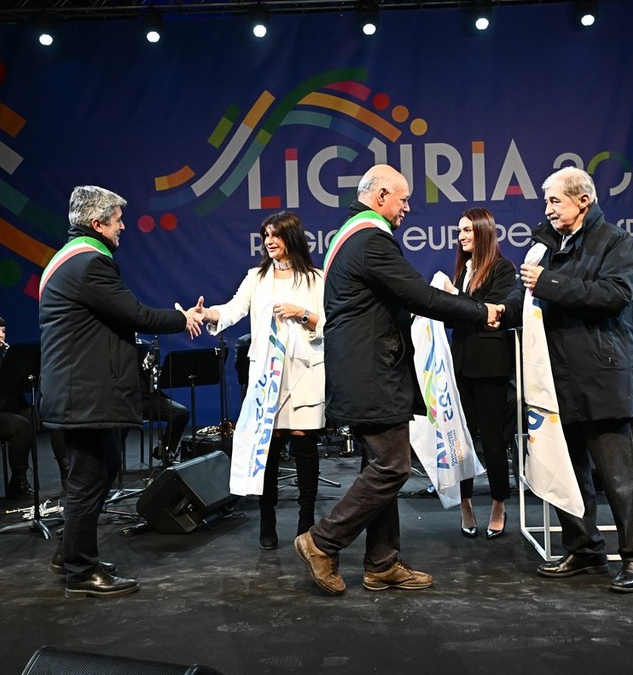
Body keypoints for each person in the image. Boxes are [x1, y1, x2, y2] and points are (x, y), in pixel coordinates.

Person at [293, 164, 503, 596]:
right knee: (393, 465)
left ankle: (382, 563)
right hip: (371, 374)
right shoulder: (371, 240)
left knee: (378, 465)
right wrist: (481, 311)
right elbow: (419, 295)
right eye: (403, 199)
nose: (407, 208)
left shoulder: (349, 235)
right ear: (381, 196)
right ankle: (322, 541)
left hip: (363, 371)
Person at [39, 185, 202, 599]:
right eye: (117, 220)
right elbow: (136, 314)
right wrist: (182, 319)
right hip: (83, 394)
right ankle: (80, 572)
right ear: (97, 224)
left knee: (106, 465)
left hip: (79, 391)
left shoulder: (70, 258)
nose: (123, 227)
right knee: (88, 478)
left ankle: (69, 552)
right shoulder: (90, 263)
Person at [502, 166, 633, 593]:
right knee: (566, 474)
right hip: (554, 379)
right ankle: (584, 551)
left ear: (583, 201)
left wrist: (549, 282)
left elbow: (614, 296)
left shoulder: (616, 241)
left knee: (619, 478)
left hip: (601, 376)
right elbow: (523, 297)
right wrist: (494, 312)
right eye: (546, 201)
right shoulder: (543, 246)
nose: (547, 209)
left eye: (555, 200)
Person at [195, 210, 325, 550]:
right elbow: (233, 309)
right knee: (270, 446)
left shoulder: (315, 278)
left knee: (304, 445)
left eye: (275, 235)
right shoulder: (257, 277)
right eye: (266, 235)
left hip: (304, 373)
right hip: (267, 375)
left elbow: (329, 322)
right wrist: (207, 314)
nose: (269, 241)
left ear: (292, 238)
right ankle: (267, 519)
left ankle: (307, 523)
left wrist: (301, 313)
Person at [442, 208, 517, 540]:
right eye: (459, 231)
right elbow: (457, 316)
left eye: (468, 231)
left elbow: (491, 314)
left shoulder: (502, 268)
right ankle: (465, 504)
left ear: (484, 232)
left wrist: (454, 298)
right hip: (460, 364)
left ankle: (499, 503)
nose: (462, 236)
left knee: (492, 439)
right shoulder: (463, 269)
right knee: (461, 442)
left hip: (489, 366)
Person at [0, 313, 69, 496]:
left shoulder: (9, 356)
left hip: (12, 409)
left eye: (3, 331)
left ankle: (66, 469)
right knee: (21, 425)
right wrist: (10, 366)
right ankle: (18, 480)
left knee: (52, 415)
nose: (1, 335)